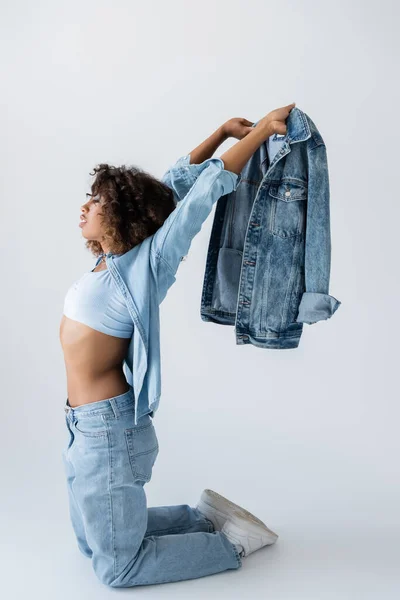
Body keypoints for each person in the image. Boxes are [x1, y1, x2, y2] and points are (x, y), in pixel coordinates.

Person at [59, 102, 296, 588]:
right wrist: (221, 131)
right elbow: (172, 187)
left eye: (98, 201)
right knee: (88, 543)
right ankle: (201, 515)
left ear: (123, 215)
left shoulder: (146, 268)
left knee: (118, 567)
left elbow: (200, 196)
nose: (85, 205)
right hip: (81, 428)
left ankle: (232, 543)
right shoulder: (107, 264)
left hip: (109, 432)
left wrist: (259, 134)